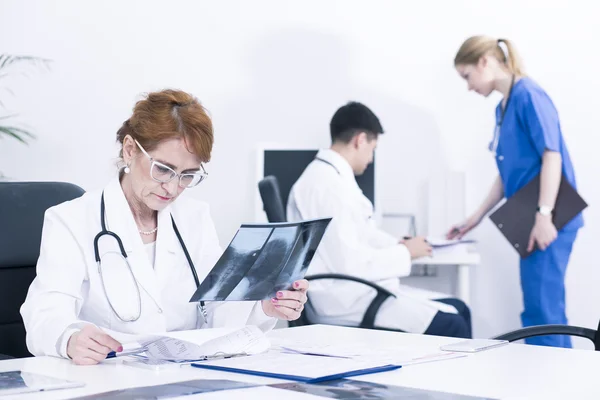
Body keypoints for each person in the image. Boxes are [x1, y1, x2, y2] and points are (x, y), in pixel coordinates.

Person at [20, 89, 309, 365]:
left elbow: (215, 309)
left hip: (186, 375)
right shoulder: (71, 219)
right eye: (163, 169)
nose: (172, 187)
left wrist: (265, 307)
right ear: (130, 149)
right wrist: (69, 339)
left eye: (187, 175)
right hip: (108, 377)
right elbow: (45, 313)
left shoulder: (195, 217)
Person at [286, 101, 472, 338]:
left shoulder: (331, 178)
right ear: (360, 140)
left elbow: (360, 234)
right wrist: (406, 254)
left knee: (460, 310)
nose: (371, 158)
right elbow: (348, 263)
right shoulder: (326, 186)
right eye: (372, 148)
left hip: (352, 290)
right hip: (342, 300)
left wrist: (398, 245)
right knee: (453, 324)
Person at [448, 36, 584, 348]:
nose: (469, 87)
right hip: (530, 216)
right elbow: (507, 172)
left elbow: (552, 155)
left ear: (485, 61)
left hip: (548, 219)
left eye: (467, 76)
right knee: (535, 311)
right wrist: (475, 218)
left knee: (546, 313)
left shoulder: (529, 95)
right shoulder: (503, 106)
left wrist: (544, 216)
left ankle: (559, 391)